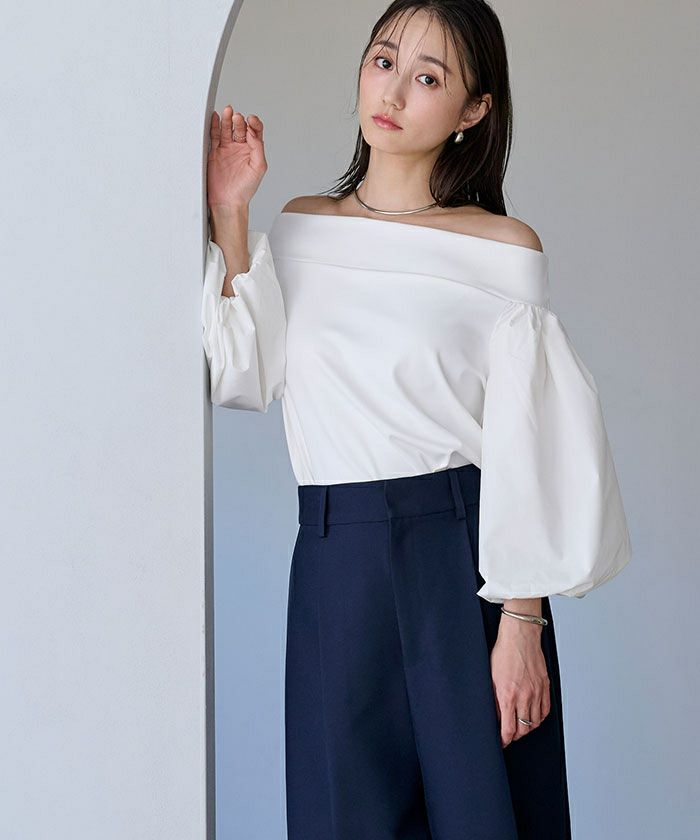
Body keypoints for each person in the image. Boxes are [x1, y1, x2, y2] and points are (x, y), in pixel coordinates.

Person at [201, 2, 632, 838]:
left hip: (463, 562)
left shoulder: (502, 250)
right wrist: (232, 215)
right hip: (335, 560)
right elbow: (241, 374)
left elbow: (530, 446)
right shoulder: (300, 228)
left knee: (487, 816)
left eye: (429, 77)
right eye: (384, 60)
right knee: (345, 818)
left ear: (474, 110)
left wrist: (522, 624)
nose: (393, 92)